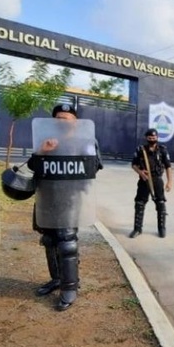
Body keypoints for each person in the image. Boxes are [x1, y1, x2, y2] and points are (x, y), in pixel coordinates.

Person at [28, 103, 98, 311]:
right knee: (49, 240)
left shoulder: (86, 141)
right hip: (47, 196)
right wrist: (42, 151)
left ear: (75, 121)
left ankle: (70, 288)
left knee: (67, 242)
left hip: (70, 198)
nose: (62, 121)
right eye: (58, 118)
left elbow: (94, 167)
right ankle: (57, 279)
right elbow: (33, 166)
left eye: (67, 118)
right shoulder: (45, 140)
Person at [129, 128, 173, 238]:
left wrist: (169, 182)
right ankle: (137, 229)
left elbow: (168, 167)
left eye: (154, 138)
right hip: (144, 180)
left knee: (160, 203)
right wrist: (140, 172)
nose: (152, 140)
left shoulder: (162, 150)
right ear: (146, 138)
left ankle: (161, 228)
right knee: (139, 203)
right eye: (149, 138)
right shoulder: (140, 149)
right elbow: (133, 164)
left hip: (157, 180)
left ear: (157, 138)